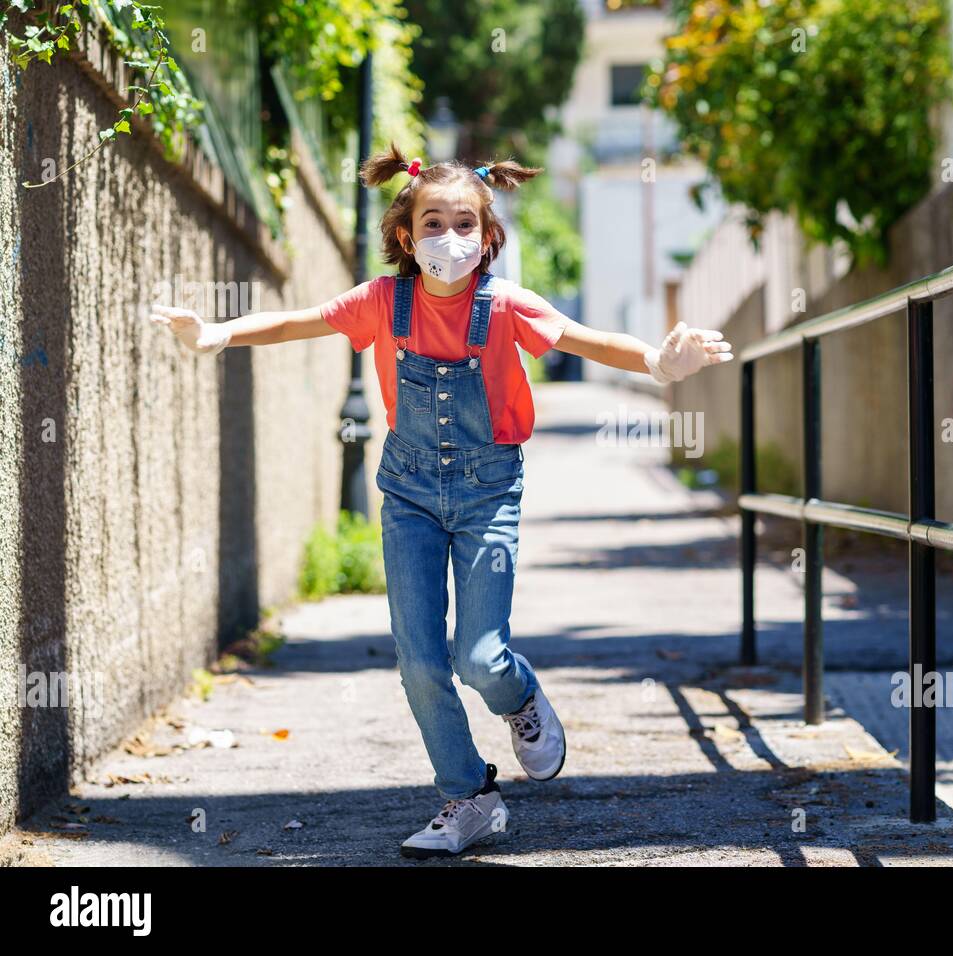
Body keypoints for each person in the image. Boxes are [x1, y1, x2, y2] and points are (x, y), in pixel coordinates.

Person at [148, 146, 733, 857]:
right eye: (433, 222)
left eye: (464, 223)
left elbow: (587, 339)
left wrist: (658, 361)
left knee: (480, 658)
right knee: (421, 660)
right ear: (406, 234)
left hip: (490, 493)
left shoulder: (508, 306)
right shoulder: (381, 302)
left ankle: (519, 698)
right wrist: (217, 335)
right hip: (409, 497)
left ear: (487, 238)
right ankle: (470, 798)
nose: (448, 237)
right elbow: (295, 321)